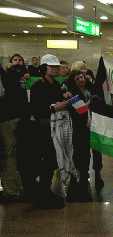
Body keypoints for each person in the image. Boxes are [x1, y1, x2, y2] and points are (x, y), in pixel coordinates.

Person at [30, 54, 73, 209]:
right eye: (52, 66)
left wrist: (68, 97)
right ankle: (44, 193)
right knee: (48, 160)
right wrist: (54, 108)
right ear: (44, 68)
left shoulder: (56, 85)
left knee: (53, 159)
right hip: (45, 127)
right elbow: (36, 109)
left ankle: (46, 191)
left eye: (56, 67)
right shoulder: (37, 86)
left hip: (57, 127)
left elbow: (63, 100)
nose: (56, 69)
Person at [64, 69, 96, 201]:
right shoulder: (71, 94)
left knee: (89, 153)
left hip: (93, 125)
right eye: (77, 79)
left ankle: (85, 174)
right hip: (79, 127)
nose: (81, 80)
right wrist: (91, 103)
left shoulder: (92, 88)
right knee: (79, 152)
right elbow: (81, 110)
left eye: (82, 77)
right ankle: (78, 175)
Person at [0, 64, 28, 202]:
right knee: (9, 156)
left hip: (6, 119)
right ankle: (14, 190)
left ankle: (13, 190)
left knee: (8, 156)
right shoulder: (10, 76)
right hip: (9, 119)